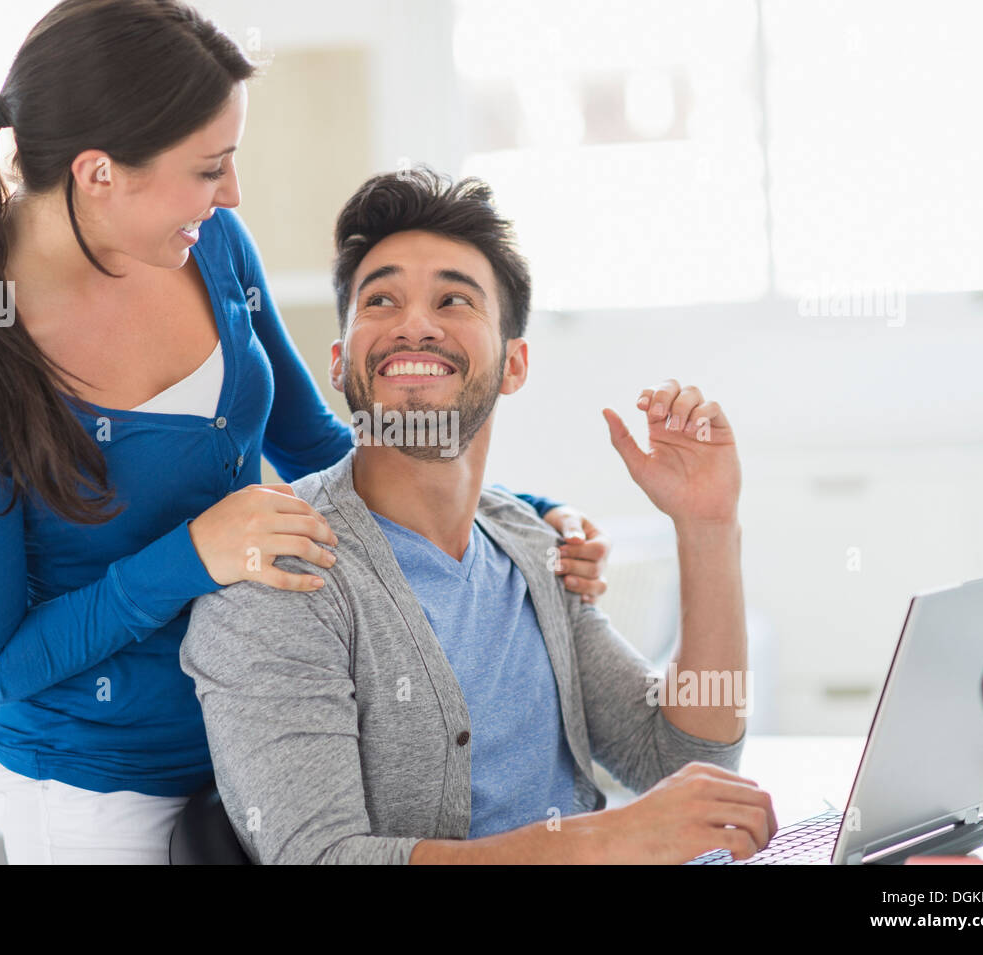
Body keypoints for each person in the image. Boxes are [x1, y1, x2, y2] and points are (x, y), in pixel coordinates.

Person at [0, 0, 608, 864]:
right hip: (101, 787)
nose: (232, 193)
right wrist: (195, 553)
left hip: (255, 743)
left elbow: (317, 442)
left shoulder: (210, 247)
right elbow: (0, 665)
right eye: (210, 167)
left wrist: (522, 514)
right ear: (98, 172)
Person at [180, 166, 777, 864]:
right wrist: (602, 841)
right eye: (381, 299)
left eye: (454, 300)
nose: (414, 324)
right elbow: (322, 858)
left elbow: (684, 751)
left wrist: (706, 528)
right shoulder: (283, 567)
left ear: (515, 363)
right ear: (341, 364)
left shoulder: (530, 545)